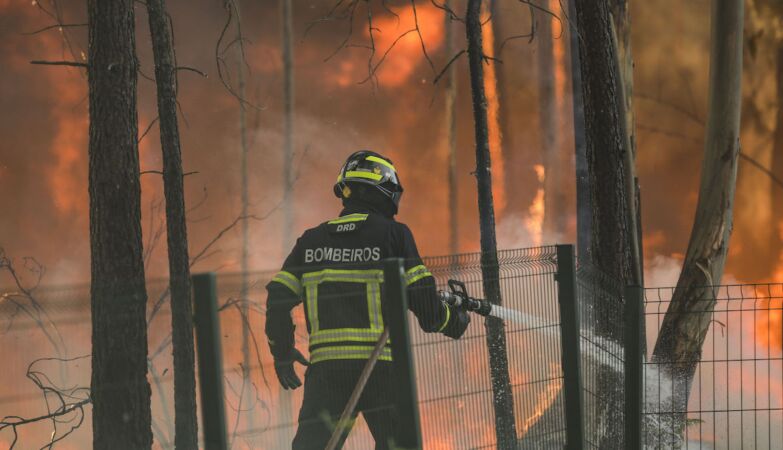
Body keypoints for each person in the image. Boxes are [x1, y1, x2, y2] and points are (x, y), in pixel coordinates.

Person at [265, 150, 470, 450]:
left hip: (327, 375)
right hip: (381, 371)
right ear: (384, 189)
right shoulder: (393, 235)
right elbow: (427, 309)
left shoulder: (310, 242)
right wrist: (455, 320)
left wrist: (282, 351)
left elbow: (278, 299)